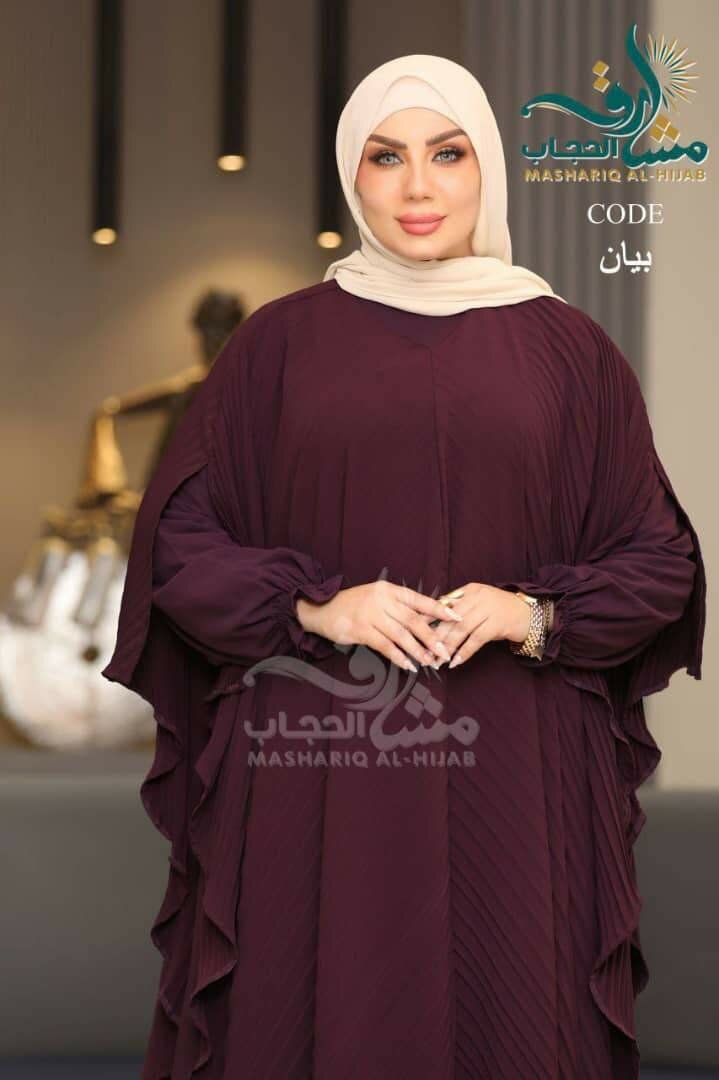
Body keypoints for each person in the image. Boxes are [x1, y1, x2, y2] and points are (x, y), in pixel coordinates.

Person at [102, 54, 706, 1080]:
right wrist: (315, 608)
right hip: (317, 758)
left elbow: (658, 560)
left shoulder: (569, 352)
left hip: (516, 760)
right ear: (352, 174)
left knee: (513, 1013)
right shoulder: (273, 348)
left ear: (487, 169)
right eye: (385, 157)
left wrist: (531, 614)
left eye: (447, 154)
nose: (417, 187)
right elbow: (179, 545)